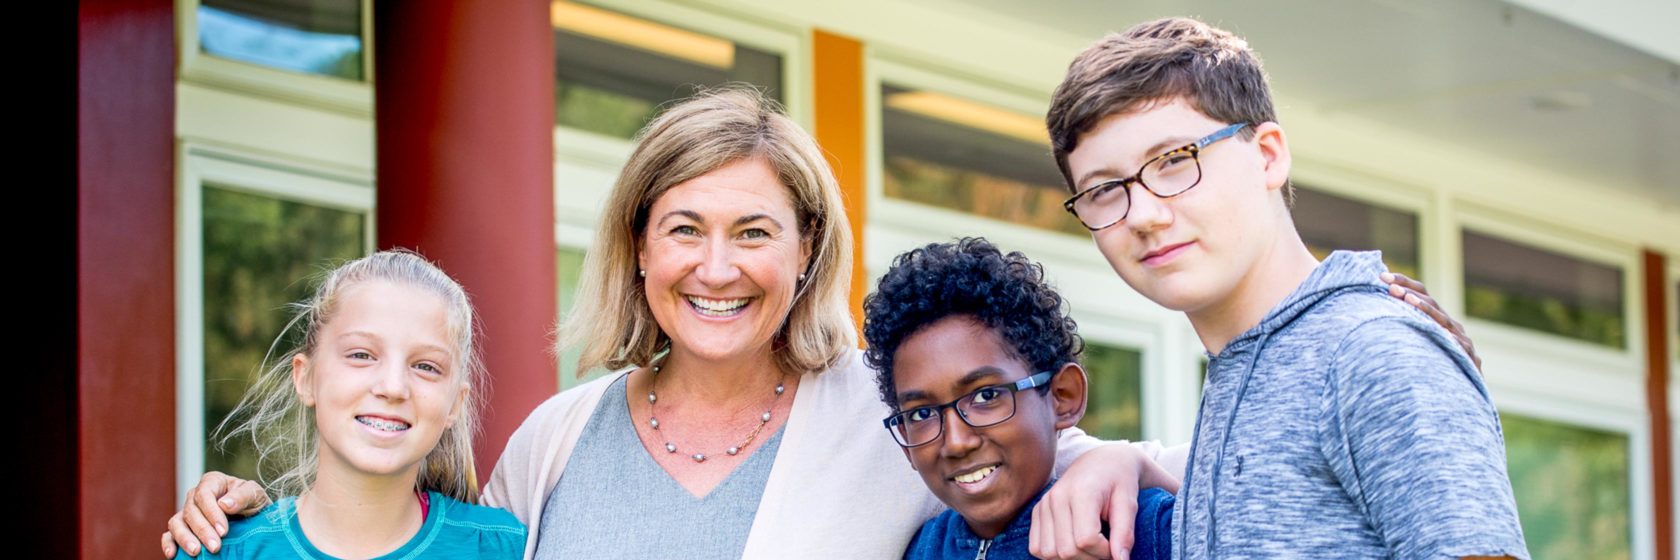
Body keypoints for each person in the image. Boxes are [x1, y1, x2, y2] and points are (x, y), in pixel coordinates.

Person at [164, 87, 1481, 560]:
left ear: (807, 257)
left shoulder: (890, 414)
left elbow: (1052, 464)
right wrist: (237, 508)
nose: (717, 266)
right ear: (638, 249)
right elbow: (396, 531)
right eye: (683, 228)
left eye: (755, 232)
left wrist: (1126, 461)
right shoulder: (552, 445)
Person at [1043, 17, 1528, 559]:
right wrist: (1128, 462)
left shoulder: (1370, 351)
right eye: (1106, 190)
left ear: (1268, 155)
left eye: (1174, 161)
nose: (1145, 215)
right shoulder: (1247, 369)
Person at [169, 250, 525, 559]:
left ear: (455, 405)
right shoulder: (220, 551)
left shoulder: (506, 549)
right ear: (305, 378)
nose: (393, 387)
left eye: (425, 366)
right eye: (361, 355)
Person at [868, 238, 1176, 560]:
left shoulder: (1142, 526)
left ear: (1062, 396)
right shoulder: (921, 549)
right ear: (905, 441)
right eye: (921, 414)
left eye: (985, 396)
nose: (957, 443)